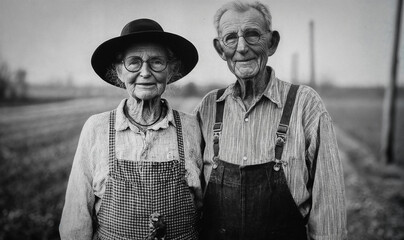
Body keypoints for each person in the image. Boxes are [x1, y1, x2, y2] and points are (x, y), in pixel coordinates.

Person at [195, 1, 347, 239]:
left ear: (272, 42)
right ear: (220, 49)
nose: (242, 47)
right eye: (231, 38)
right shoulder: (208, 107)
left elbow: (329, 208)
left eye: (253, 35)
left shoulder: (304, 104)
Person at [60, 18, 202, 240]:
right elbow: (76, 221)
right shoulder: (96, 128)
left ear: (171, 71)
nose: (145, 72)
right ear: (119, 71)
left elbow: (206, 210)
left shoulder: (192, 127)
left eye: (156, 62)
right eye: (134, 62)